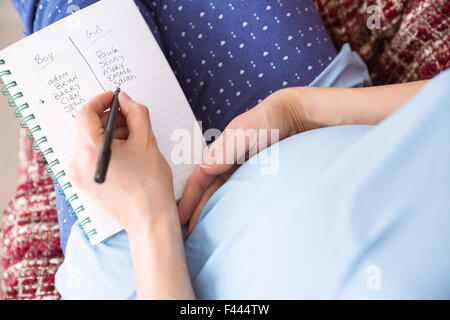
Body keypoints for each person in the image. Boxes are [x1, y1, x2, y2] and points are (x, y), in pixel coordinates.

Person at [12, 0, 450, 299]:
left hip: (143, 261)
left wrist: (150, 220)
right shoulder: (298, 110)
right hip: (304, 116)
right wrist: (298, 109)